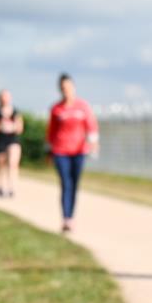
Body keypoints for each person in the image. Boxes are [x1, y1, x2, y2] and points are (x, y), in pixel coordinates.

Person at [46, 73, 99, 232]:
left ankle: (72, 216)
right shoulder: (56, 109)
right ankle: (66, 218)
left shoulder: (83, 106)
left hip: (79, 151)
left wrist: (94, 143)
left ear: (73, 87)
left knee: (74, 184)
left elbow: (91, 126)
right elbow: (51, 132)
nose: (66, 90)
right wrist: (48, 151)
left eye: (68, 87)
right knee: (65, 183)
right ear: (60, 89)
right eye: (63, 88)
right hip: (60, 151)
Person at [0, 91, 24, 197]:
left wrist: (12, 127)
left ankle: (12, 187)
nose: (5, 99)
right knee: (1, 164)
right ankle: (0, 186)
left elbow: (20, 128)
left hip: (13, 140)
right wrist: (0, 126)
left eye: (7, 96)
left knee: (13, 163)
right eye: (3, 97)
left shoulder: (16, 112)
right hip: (1, 140)